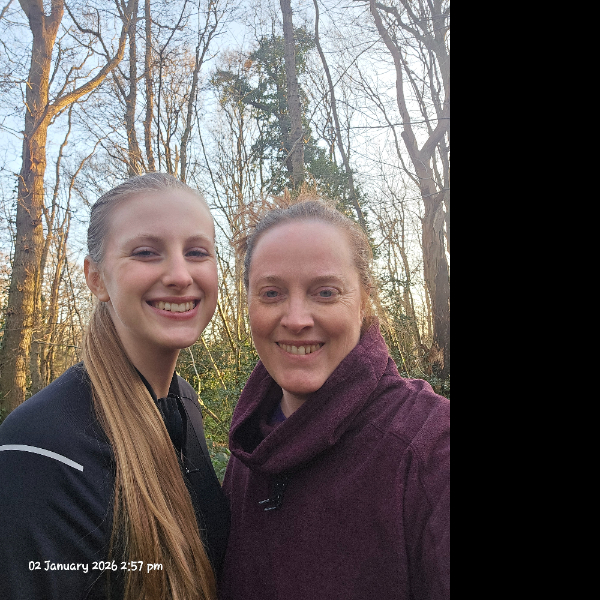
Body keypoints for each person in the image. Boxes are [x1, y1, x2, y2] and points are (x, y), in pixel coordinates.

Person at [0, 173, 230, 600]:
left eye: (197, 252)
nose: (180, 275)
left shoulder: (184, 404)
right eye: (146, 252)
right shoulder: (36, 448)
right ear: (96, 278)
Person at [219, 199, 450, 600]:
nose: (296, 319)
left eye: (325, 292)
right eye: (271, 293)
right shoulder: (249, 447)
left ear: (363, 301)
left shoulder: (431, 446)